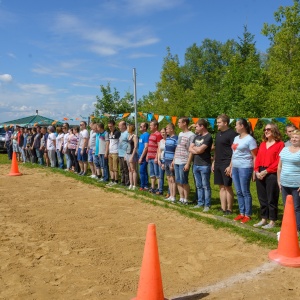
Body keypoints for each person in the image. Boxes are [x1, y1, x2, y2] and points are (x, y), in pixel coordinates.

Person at [254, 123, 284, 229]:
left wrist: (266, 171)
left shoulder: (280, 144)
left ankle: (272, 220)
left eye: (268, 129)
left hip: (271, 173)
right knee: (262, 197)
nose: (266, 131)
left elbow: (278, 161)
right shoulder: (262, 144)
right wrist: (257, 171)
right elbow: (257, 158)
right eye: (264, 129)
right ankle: (263, 218)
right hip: (260, 171)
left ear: (274, 131)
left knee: (272, 198)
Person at [230, 119, 257, 223]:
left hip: (245, 167)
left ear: (242, 126)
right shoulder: (236, 138)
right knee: (238, 191)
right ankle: (241, 213)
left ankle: (248, 214)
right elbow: (234, 154)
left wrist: (255, 170)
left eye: (236, 125)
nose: (235, 127)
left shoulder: (250, 139)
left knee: (245, 191)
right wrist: (231, 166)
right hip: (235, 167)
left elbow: (255, 156)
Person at [212, 114, 237, 215]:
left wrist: (230, 165)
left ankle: (229, 209)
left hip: (227, 162)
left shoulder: (232, 134)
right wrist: (213, 161)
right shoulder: (218, 134)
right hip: (218, 162)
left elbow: (235, 151)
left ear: (225, 123)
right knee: (221, 186)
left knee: (227, 186)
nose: (217, 124)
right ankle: (223, 208)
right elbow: (216, 150)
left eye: (219, 122)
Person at [277, 129, 300, 233]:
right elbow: (279, 167)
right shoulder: (285, 149)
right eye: (292, 137)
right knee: (287, 207)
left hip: (296, 184)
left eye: (296, 137)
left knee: (296, 207)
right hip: (284, 183)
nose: (294, 139)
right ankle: (289, 228)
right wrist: (279, 181)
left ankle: (297, 229)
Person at [189, 119, 213, 212]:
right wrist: (196, 149)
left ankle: (207, 205)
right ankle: (200, 203)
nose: (196, 128)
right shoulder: (196, 137)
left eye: (197, 126)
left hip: (205, 164)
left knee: (205, 185)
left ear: (202, 126)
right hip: (195, 164)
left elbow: (199, 150)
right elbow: (190, 148)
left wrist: (195, 149)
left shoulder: (208, 137)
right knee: (198, 185)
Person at [173, 117, 195, 204]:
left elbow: (191, 150)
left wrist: (188, 163)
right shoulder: (180, 134)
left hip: (184, 160)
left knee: (184, 181)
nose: (178, 124)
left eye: (179, 122)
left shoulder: (191, 135)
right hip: (177, 160)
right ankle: (181, 198)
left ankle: (186, 198)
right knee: (178, 180)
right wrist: (174, 159)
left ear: (184, 123)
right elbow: (177, 147)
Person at [162, 123, 178, 202]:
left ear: (171, 129)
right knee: (168, 178)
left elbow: (176, 150)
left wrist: (173, 161)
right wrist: (163, 161)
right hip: (166, 160)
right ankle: (171, 195)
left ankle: (174, 196)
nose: (166, 130)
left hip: (171, 161)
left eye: (167, 129)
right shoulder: (167, 138)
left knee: (173, 179)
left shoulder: (176, 138)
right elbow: (165, 150)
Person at [147, 120, 163, 193]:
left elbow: (159, 146)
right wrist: (147, 154)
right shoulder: (151, 134)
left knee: (157, 174)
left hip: (155, 157)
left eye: (151, 125)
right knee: (152, 174)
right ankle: (152, 187)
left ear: (155, 126)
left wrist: (157, 157)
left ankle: (159, 188)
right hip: (150, 156)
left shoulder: (158, 134)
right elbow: (149, 145)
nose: (150, 126)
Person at [107, 120, 121, 186]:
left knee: (115, 168)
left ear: (114, 125)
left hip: (115, 152)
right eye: (109, 126)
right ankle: (112, 180)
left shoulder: (117, 132)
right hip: (110, 152)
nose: (110, 127)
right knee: (111, 168)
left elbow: (118, 140)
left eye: (111, 126)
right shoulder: (110, 133)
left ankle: (116, 181)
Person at [125, 124, 138, 190]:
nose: (127, 128)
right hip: (127, 154)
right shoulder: (128, 136)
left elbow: (135, 147)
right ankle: (131, 184)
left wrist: (132, 156)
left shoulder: (134, 136)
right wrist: (125, 154)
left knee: (133, 169)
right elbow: (127, 146)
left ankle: (135, 185)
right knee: (129, 169)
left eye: (127, 127)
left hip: (132, 154)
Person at [138, 122, 150, 191]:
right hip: (140, 155)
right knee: (143, 171)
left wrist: (142, 157)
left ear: (145, 128)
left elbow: (146, 147)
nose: (140, 127)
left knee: (142, 171)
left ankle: (143, 186)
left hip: (144, 156)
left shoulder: (146, 135)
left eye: (141, 126)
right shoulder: (141, 135)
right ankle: (145, 185)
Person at [118, 121, 130, 186]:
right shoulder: (121, 133)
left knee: (126, 169)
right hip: (120, 153)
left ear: (124, 126)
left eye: (119, 125)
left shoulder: (127, 133)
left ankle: (127, 182)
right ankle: (122, 181)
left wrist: (126, 153)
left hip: (125, 154)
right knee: (122, 169)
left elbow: (129, 144)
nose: (118, 127)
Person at [157, 127, 167, 195]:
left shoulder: (168, 140)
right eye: (161, 132)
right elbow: (159, 151)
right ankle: (160, 190)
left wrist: (165, 162)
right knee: (161, 176)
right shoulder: (161, 141)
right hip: (161, 160)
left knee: (168, 177)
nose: (162, 134)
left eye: (163, 132)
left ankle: (169, 192)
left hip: (167, 160)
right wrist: (158, 159)